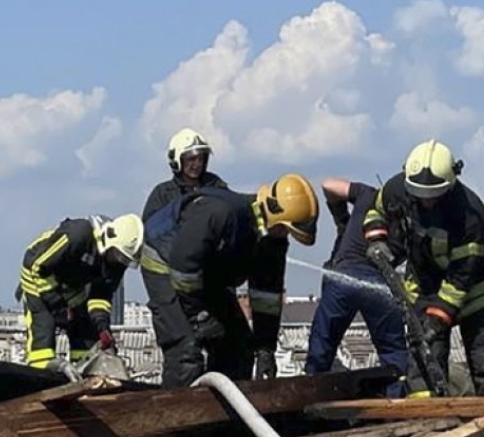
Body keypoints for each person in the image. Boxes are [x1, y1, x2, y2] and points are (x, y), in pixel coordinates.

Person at [361, 140, 484, 397]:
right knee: (424, 359)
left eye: (433, 195)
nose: (426, 202)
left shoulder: (469, 214)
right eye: (419, 194)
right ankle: (425, 419)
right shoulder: (396, 188)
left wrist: (440, 316)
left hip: (472, 292)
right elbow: (375, 211)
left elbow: (462, 275)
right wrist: (377, 239)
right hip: (425, 284)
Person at [151, 174, 319, 388]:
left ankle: (225, 414)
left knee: (238, 346)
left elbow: (266, 295)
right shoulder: (222, 213)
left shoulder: (271, 241)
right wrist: (198, 316)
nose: (285, 236)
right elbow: (183, 267)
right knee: (187, 350)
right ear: (273, 213)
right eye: (286, 229)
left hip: (204, 277)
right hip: (164, 264)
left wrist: (265, 348)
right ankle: (178, 416)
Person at [140, 129, 229, 373]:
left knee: (230, 340)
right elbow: (153, 239)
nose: (197, 164)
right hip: (168, 281)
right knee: (184, 351)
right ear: (177, 161)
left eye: (200, 158)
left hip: (206, 278)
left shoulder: (216, 187)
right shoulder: (162, 195)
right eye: (191, 159)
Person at [304, 178, 408, 376]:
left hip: (342, 279)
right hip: (378, 286)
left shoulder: (368, 194)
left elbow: (328, 185)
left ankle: (310, 394)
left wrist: (342, 220)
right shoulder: (413, 220)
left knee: (321, 349)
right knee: (393, 352)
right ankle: (398, 398)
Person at [18, 214, 144, 373]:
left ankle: (81, 371)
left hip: (73, 286)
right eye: (119, 256)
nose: (120, 262)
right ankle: (41, 369)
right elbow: (38, 267)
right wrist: (60, 308)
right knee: (44, 328)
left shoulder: (116, 263)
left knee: (86, 332)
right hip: (39, 275)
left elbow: (101, 296)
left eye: (126, 260)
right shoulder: (79, 235)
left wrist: (102, 327)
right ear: (109, 241)